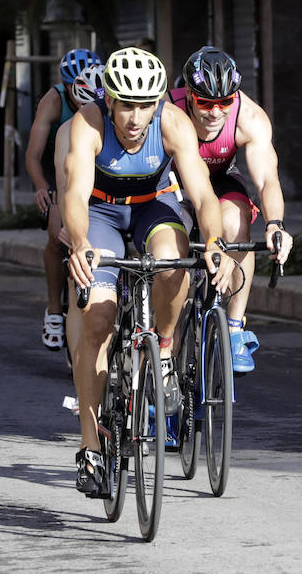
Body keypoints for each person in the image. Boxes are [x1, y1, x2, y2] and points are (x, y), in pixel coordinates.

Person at [61, 46, 228, 496]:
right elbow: (75, 195)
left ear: (158, 103)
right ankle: (91, 447)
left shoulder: (173, 122)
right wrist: (79, 243)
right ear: (110, 100)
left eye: (144, 106)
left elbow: (204, 194)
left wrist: (213, 243)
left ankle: (166, 353)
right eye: (126, 105)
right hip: (101, 213)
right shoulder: (88, 124)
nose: (135, 119)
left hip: (153, 207)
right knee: (97, 317)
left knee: (176, 261)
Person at [168, 47, 293, 373]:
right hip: (173, 182)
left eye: (224, 102)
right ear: (188, 94)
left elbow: (267, 180)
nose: (215, 112)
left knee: (237, 224)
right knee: (173, 242)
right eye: (206, 103)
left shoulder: (249, 118)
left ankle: (235, 327)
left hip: (221, 180)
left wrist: (275, 224)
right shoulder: (168, 109)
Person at [25, 48, 100, 352]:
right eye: (73, 86)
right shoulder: (53, 101)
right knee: (58, 236)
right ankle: (55, 309)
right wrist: (43, 187)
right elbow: (33, 155)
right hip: (60, 170)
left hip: (95, 167)